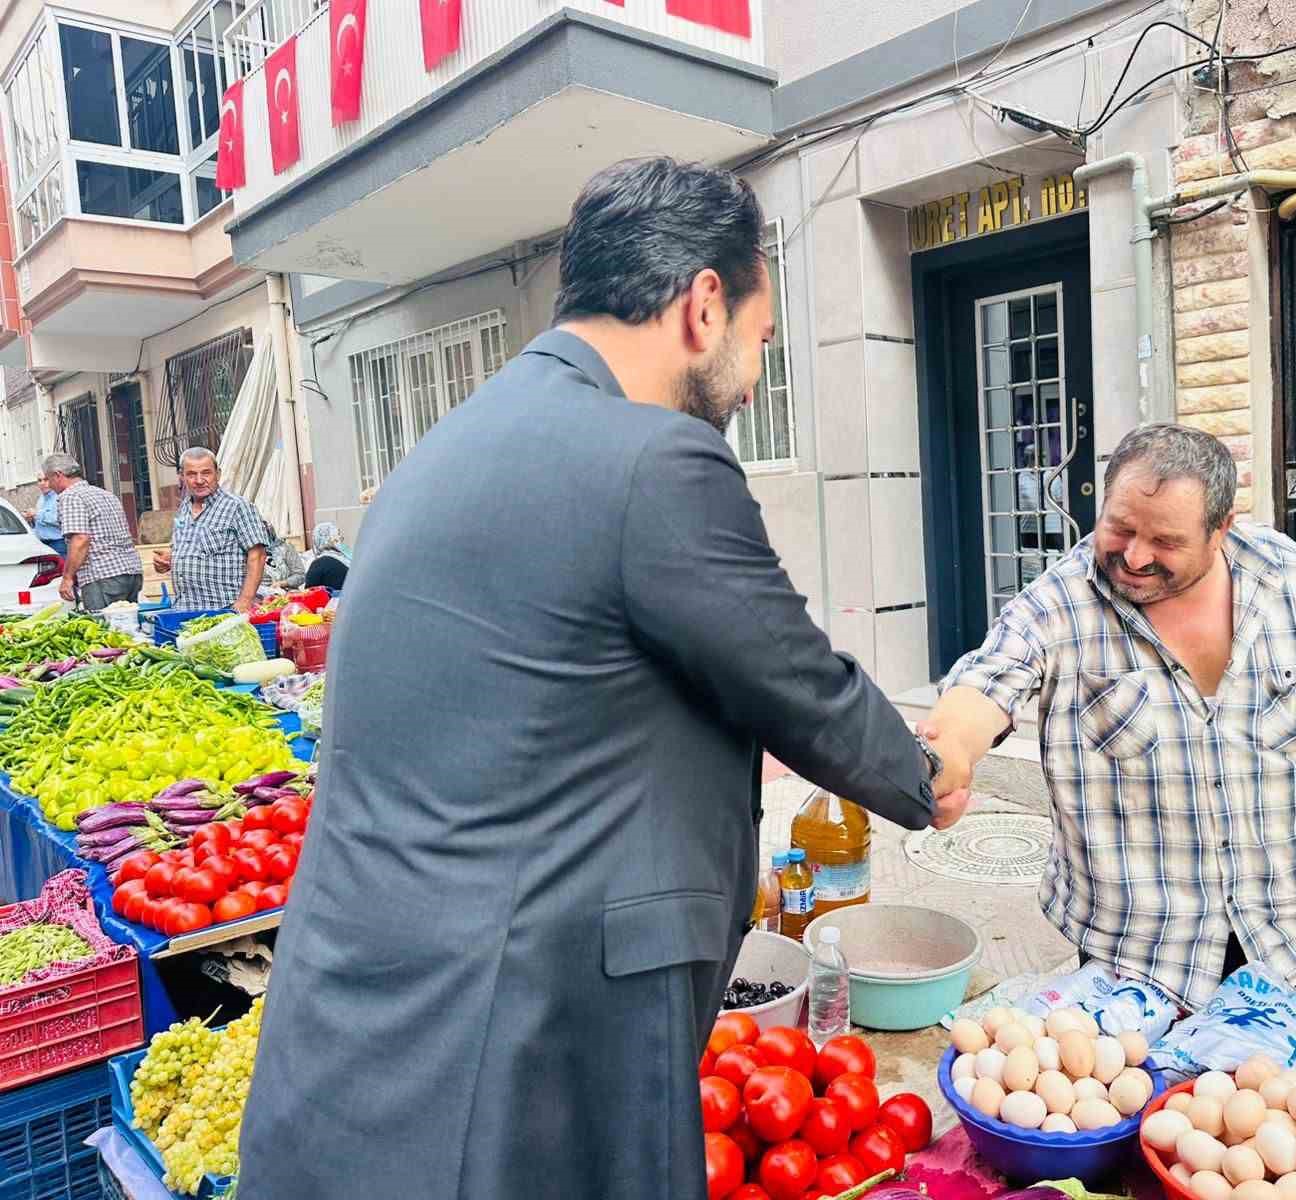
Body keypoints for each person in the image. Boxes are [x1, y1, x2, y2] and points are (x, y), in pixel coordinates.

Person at [237, 157, 971, 1200]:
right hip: (509, 1064)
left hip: (358, 1041)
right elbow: (792, 678)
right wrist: (928, 771)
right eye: (764, 342)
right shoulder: (651, 459)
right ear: (702, 305)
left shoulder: (439, 455)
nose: (757, 378)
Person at [924, 424, 1296, 1018]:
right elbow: (986, 684)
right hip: (1140, 956)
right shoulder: (1061, 603)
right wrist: (949, 755)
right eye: (1119, 527)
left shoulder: (1284, 573)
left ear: (1221, 529)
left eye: (1165, 541)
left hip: (1294, 925)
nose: (1135, 556)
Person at [153, 448, 272, 613]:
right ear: (182, 476)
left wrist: (245, 601)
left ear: (218, 474)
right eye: (192, 474)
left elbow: (257, 556)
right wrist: (168, 560)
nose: (199, 480)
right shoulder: (184, 508)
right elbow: (188, 549)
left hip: (223, 610)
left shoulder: (237, 506)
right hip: (185, 609)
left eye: (206, 473)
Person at [40, 454, 143, 612]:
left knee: (103, 630)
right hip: (131, 572)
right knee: (127, 628)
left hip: (102, 575)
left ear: (58, 475)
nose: (48, 485)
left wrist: (67, 578)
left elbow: (80, 539)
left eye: (48, 479)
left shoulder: (70, 496)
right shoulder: (105, 494)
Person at [24, 474, 66, 557]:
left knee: (62, 569)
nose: (42, 483)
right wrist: (30, 519)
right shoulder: (41, 498)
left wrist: (36, 514)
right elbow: (39, 522)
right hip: (42, 543)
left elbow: (58, 519)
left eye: (46, 480)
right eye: (39, 480)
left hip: (58, 543)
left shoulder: (59, 497)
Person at [302, 522, 350, 590]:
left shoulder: (319, 564)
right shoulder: (347, 558)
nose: (341, 538)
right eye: (338, 535)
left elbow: (309, 592)